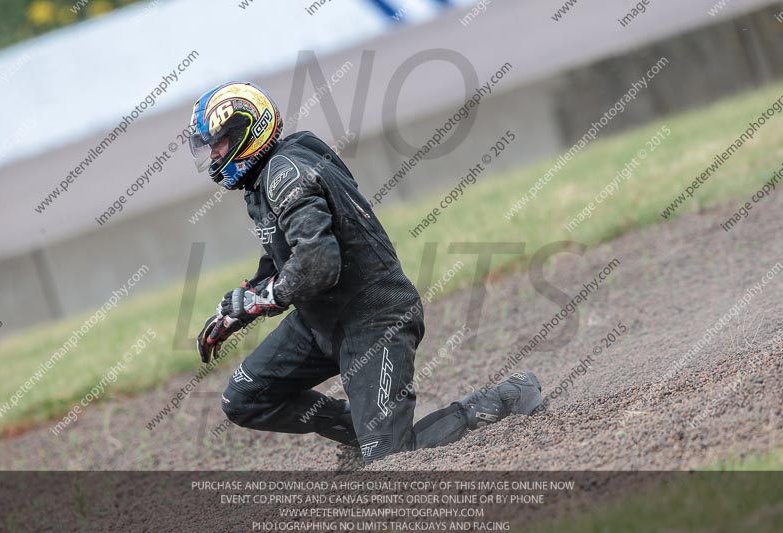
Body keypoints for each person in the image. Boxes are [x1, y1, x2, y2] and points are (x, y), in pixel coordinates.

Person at [190, 81, 543, 464]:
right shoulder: (265, 179)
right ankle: (365, 433)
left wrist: (261, 302)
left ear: (247, 133)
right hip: (319, 322)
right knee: (244, 400)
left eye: (219, 142)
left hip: (374, 319)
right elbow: (282, 258)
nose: (213, 154)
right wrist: (237, 309)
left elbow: (317, 264)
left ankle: (503, 398)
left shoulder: (285, 175)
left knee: (390, 460)